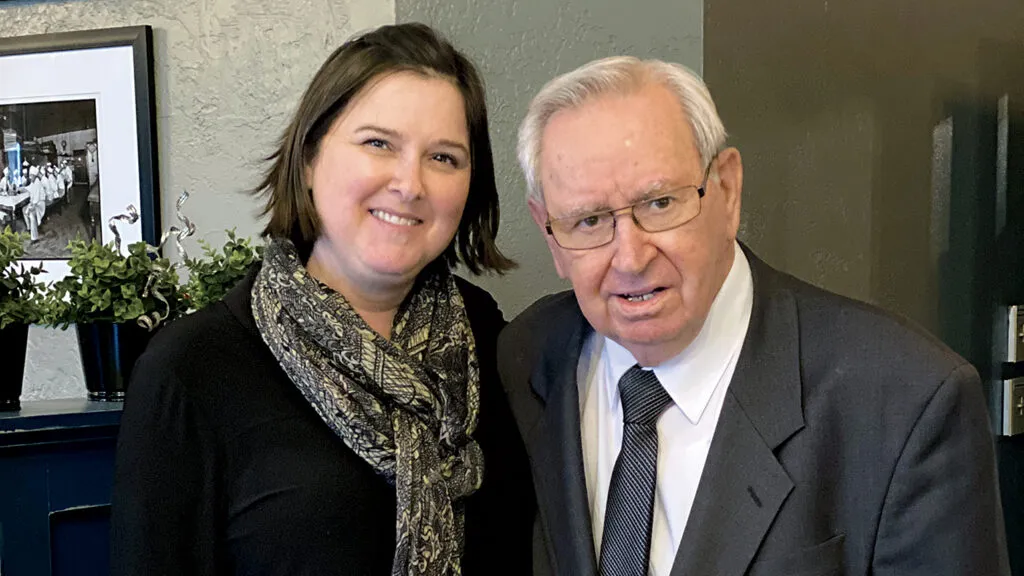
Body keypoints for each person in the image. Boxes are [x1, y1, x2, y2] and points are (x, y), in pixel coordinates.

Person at [498, 56, 1009, 576]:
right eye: (589, 220)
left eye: (659, 204)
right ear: (551, 235)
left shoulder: (906, 402)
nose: (630, 258)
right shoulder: (529, 357)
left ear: (728, 190)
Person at [110, 23, 534, 576]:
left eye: (444, 158)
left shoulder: (486, 338)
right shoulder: (192, 369)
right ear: (309, 158)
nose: (410, 184)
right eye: (378, 143)